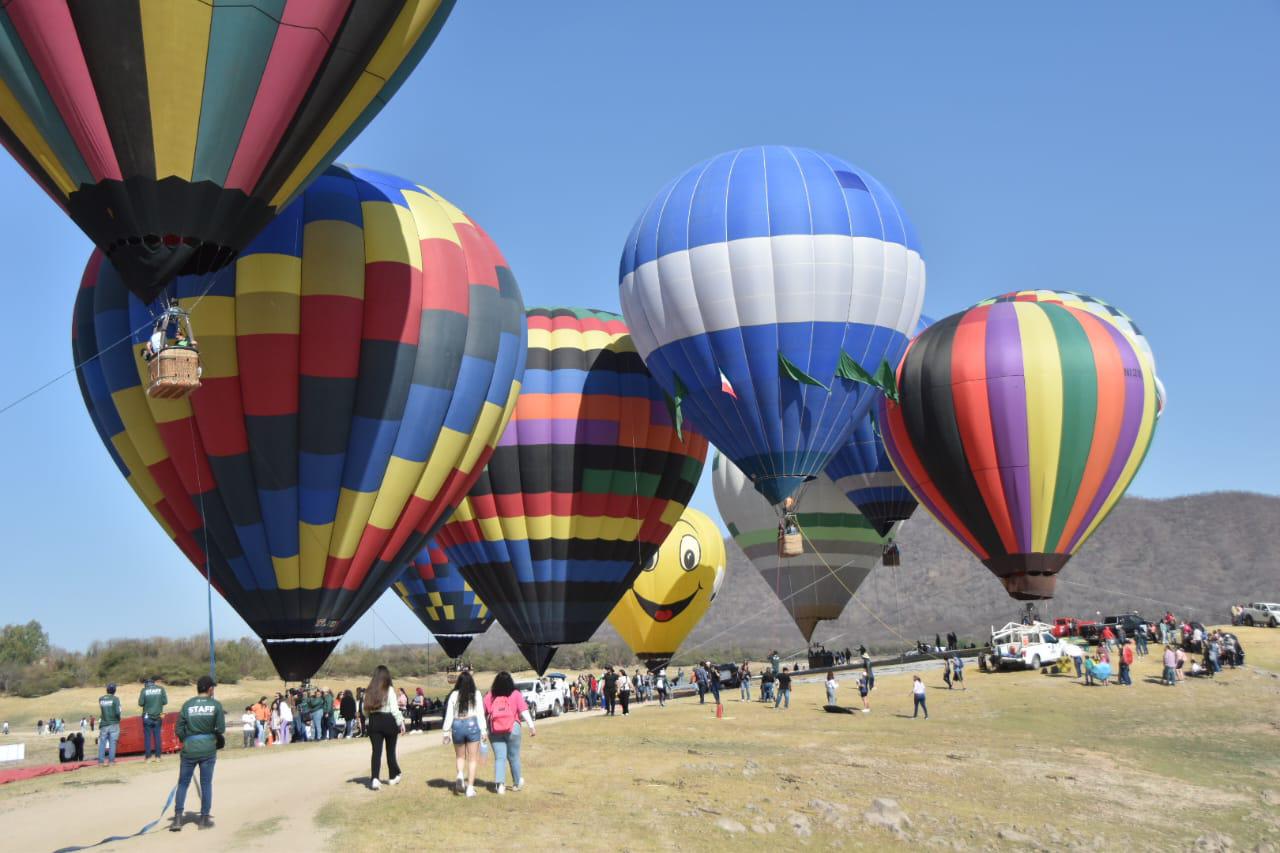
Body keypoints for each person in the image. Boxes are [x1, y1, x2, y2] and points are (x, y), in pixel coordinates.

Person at [169, 675, 225, 832]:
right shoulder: (215, 705)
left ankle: (178, 819)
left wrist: (186, 740)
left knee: (182, 784)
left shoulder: (187, 705)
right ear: (210, 689)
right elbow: (220, 729)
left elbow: (178, 728)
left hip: (189, 748)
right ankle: (204, 819)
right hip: (208, 748)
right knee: (206, 784)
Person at [485, 672, 536, 795]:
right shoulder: (516, 694)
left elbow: (484, 713)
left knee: (500, 757)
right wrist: (531, 726)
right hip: (513, 728)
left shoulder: (489, 696)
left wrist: (483, 730)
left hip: (495, 730)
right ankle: (517, 783)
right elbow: (524, 711)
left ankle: (500, 785)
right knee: (514, 757)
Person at [442, 671, 487, 797]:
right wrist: (484, 730)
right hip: (472, 724)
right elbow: (480, 714)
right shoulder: (476, 694)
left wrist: (446, 732)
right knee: (472, 758)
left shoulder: (454, 695)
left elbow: (449, 714)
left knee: (460, 756)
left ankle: (460, 775)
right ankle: (470, 788)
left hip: (457, 725)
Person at [364, 665, 406, 790]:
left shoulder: (369, 690)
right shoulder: (389, 690)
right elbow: (394, 709)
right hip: (389, 721)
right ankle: (393, 777)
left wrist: (368, 719)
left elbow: (365, 710)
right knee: (390, 751)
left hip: (374, 721)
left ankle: (375, 779)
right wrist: (401, 722)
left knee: (376, 752)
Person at [138, 677, 169, 762]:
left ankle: (148, 758)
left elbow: (140, 703)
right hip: (158, 716)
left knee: (148, 737)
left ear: (146, 684)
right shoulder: (161, 689)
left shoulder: (144, 690)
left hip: (147, 717)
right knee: (158, 736)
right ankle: (158, 757)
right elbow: (165, 702)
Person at [97, 683, 122, 766]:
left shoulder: (101, 699)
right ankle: (111, 761)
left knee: (102, 743)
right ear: (114, 690)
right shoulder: (115, 699)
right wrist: (118, 718)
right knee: (112, 743)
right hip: (113, 723)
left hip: (104, 723)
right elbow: (118, 712)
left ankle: (101, 761)